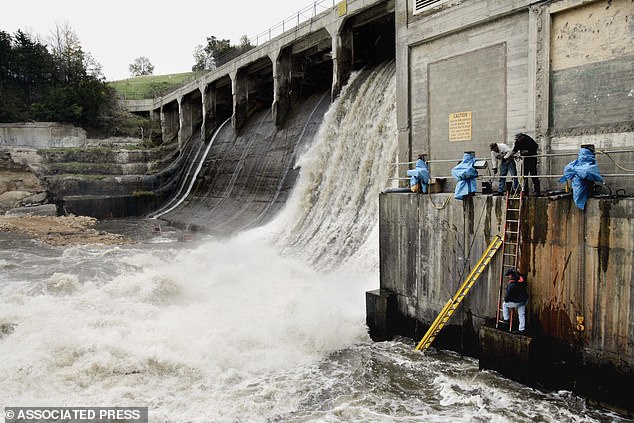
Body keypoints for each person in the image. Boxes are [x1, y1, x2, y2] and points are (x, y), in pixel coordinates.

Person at [559, 145, 604, 210]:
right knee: (580, 192)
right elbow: (588, 172)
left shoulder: (575, 163)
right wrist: (601, 180)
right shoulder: (587, 164)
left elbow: (568, 169)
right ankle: (582, 200)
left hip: (579, 184)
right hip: (580, 183)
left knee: (579, 192)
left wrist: (575, 171)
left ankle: (581, 200)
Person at [502, 268, 528, 334]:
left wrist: (507, 300)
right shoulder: (522, 280)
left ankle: (506, 320)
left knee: (504, 304)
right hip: (523, 300)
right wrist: (518, 273)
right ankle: (522, 329)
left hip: (516, 302)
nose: (508, 277)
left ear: (511, 276)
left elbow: (507, 297)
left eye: (509, 275)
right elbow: (522, 277)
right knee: (522, 314)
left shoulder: (511, 284)